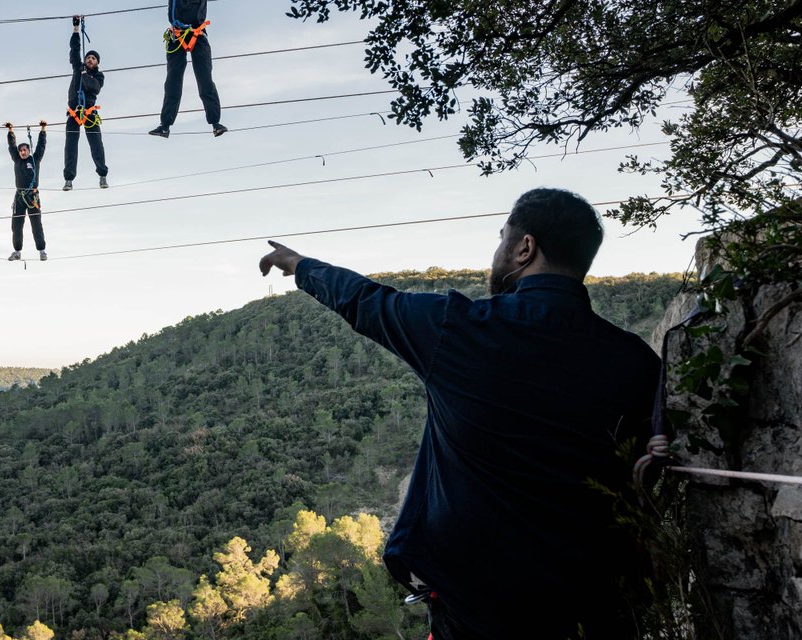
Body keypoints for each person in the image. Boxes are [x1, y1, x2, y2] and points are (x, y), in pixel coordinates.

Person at [259, 188, 659, 639]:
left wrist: (300, 265)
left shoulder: (459, 328)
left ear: (525, 248)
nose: (497, 249)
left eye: (503, 236)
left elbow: (366, 301)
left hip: (475, 606)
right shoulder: (637, 362)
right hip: (596, 607)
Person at [146, 0, 227, 138]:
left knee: (205, 80)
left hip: (198, 35)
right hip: (176, 37)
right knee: (173, 81)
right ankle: (165, 126)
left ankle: (215, 123)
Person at [63, 15, 108, 191]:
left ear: (97, 63)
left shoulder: (98, 75)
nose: (89, 59)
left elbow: (95, 88)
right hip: (74, 111)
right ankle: (69, 179)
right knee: (71, 146)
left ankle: (102, 174)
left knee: (96, 144)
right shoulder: (78, 67)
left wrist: (84, 77)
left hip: (89, 112)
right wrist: (75, 29)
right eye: (88, 57)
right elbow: (75, 50)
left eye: (93, 58)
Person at [6, 120, 48, 261]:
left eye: (25, 150)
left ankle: (42, 250)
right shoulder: (17, 160)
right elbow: (12, 146)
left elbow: (41, 146)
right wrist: (10, 131)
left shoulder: (35, 160)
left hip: (32, 197)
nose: (23, 152)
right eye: (21, 150)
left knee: (36, 224)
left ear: (29, 151)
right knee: (16, 226)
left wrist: (43, 129)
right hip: (19, 197)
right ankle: (17, 251)